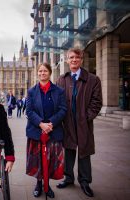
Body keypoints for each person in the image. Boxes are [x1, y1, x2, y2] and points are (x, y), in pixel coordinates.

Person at [56, 47, 102, 197]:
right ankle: (68, 178)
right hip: (67, 122)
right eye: (71, 58)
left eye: (77, 57)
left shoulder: (93, 79)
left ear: (81, 60)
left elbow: (96, 102)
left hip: (84, 123)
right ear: (68, 60)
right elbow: (57, 102)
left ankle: (85, 182)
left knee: (84, 153)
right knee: (68, 151)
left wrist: (86, 117)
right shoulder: (62, 80)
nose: (74, 60)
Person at [26, 63, 67, 198]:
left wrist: (50, 124)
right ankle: (39, 184)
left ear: (49, 73)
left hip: (53, 132)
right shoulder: (32, 91)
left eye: (45, 71)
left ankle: (47, 185)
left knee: (51, 160)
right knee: (37, 160)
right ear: (37, 73)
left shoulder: (59, 91)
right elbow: (29, 111)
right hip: (36, 132)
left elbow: (63, 109)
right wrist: (40, 124)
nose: (42, 73)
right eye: (40, 71)